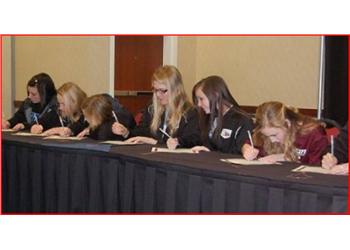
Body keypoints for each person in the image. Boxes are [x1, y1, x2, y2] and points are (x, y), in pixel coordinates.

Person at [119, 65, 200, 149]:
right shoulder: (152, 108)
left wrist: (157, 143)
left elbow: (193, 141)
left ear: (177, 90)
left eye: (163, 90)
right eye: (155, 90)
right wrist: (127, 133)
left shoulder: (190, 112)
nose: (157, 95)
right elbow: (142, 133)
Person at [242, 101, 329, 165]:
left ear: (287, 124)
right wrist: (246, 149)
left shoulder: (313, 133)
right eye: (266, 136)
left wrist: (284, 157)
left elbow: (316, 166)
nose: (272, 140)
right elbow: (249, 145)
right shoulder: (265, 131)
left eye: (274, 135)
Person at [191, 75, 254, 154]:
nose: (199, 104)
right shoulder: (206, 117)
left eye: (201, 99)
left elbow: (243, 148)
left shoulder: (242, 120)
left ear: (215, 95)